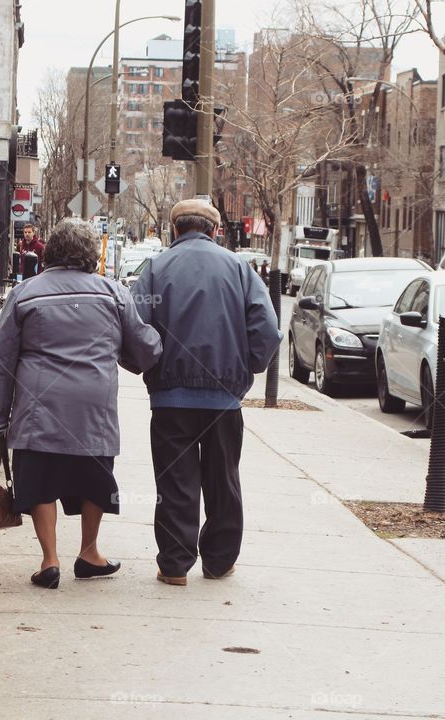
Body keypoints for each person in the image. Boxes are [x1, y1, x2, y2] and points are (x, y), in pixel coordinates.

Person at [0, 218, 162, 590]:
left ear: (50, 251)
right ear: (90, 254)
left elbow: (1, 361)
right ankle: (89, 552)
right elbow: (145, 349)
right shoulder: (114, 292)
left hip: (37, 403)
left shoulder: (25, 292)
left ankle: (49, 560)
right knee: (93, 475)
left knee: (40, 477)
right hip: (92, 403)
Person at [133, 199, 282, 587]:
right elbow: (266, 329)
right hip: (223, 399)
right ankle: (219, 561)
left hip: (170, 399)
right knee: (223, 480)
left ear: (174, 230)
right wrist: (248, 367)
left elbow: (135, 329)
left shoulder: (155, 268)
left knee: (175, 483)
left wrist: (151, 364)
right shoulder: (239, 269)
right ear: (215, 231)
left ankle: (174, 563)